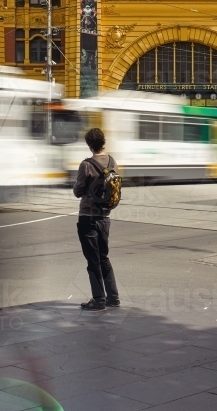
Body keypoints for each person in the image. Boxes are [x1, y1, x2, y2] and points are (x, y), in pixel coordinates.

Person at [72, 127, 121, 311]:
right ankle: (113, 298)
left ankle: (99, 300)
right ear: (103, 142)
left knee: (93, 261)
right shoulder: (112, 161)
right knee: (104, 258)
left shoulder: (86, 165)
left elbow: (77, 192)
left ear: (89, 145)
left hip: (88, 218)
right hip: (105, 218)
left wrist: (82, 187)